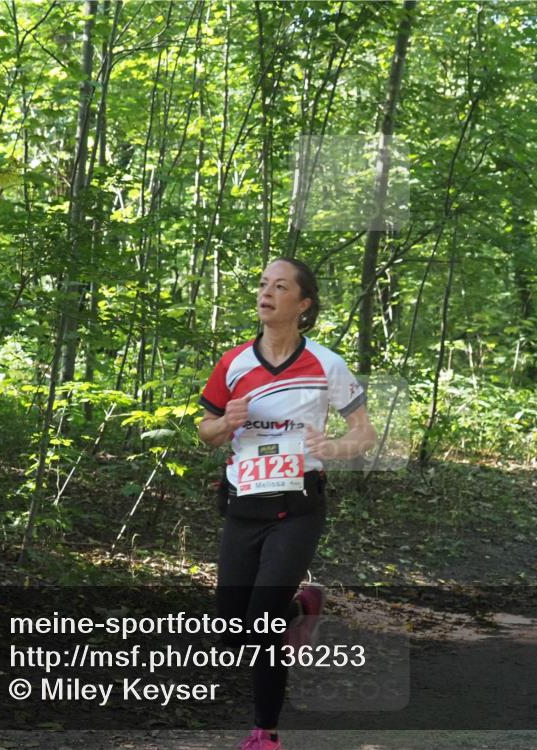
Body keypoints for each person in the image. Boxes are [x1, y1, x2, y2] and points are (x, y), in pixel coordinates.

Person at [198, 257, 376, 750]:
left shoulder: (326, 364)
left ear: (303, 304)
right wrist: (226, 424)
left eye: (280, 287)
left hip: (297, 508)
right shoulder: (234, 364)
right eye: (262, 285)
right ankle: (303, 605)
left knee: (262, 622)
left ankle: (265, 733)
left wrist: (334, 447)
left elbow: (364, 434)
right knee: (232, 632)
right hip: (242, 508)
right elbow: (206, 433)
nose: (266, 293)